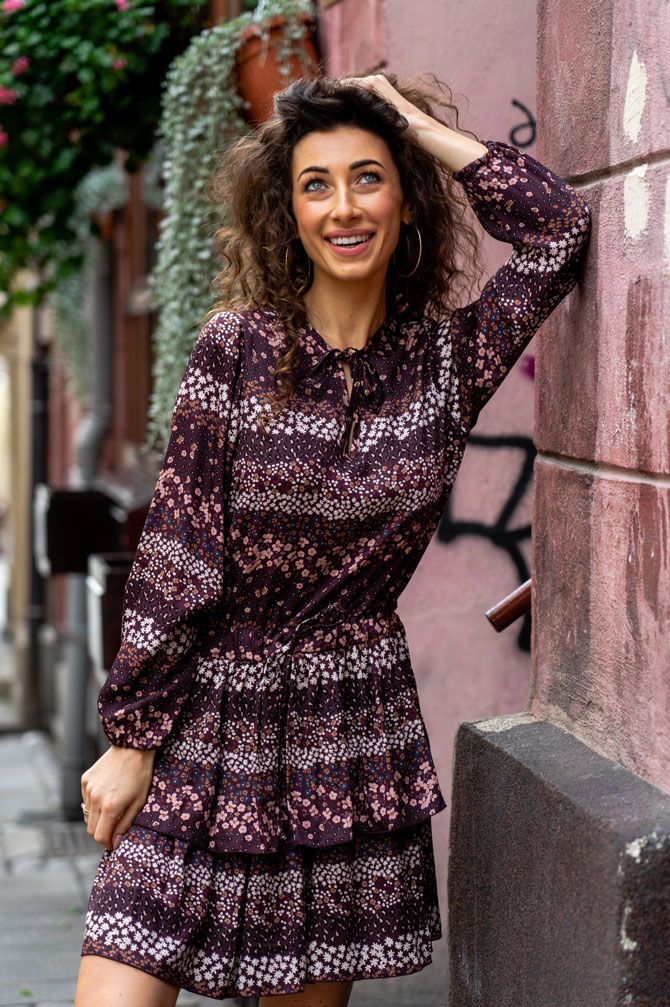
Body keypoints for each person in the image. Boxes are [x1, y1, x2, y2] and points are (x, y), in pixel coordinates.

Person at [75, 72, 591, 1007]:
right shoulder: (236, 348)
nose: (343, 207)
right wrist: (133, 738)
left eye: (368, 177)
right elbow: (175, 552)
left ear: (406, 199)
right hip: (207, 716)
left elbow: (559, 228)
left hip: (349, 730)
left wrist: (414, 125)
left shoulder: (444, 364)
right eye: (316, 185)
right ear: (291, 213)